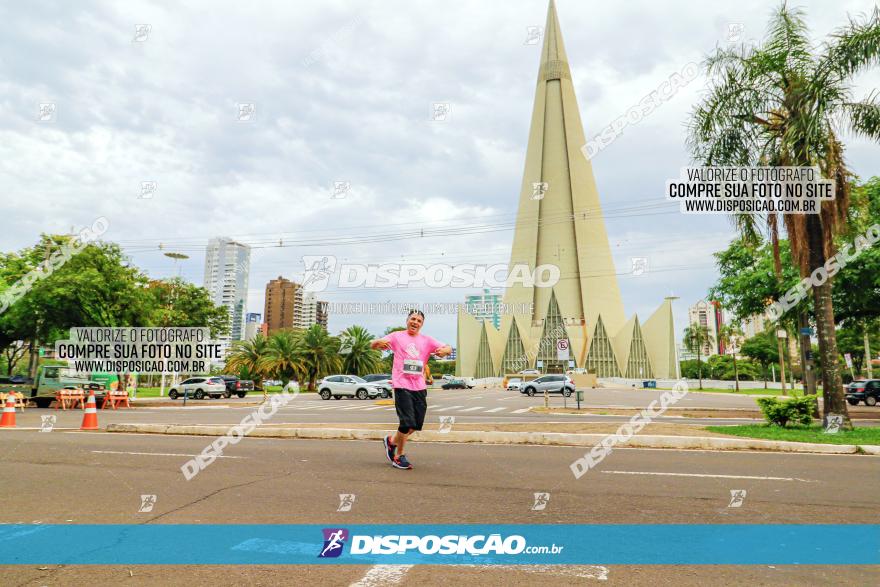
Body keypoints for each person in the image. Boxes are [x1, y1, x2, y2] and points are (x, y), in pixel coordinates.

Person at [371, 310, 451, 469]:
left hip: (419, 386)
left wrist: (445, 351)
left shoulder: (426, 340)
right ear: (407, 320)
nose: (415, 322)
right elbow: (374, 344)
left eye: (419, 320)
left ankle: (391, 441)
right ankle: (399, 456)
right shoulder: (396, 336)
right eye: (412, 319)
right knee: (406, 423)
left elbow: (447, 347)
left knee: (416, 424)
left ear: (422, 324)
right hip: (401, 384)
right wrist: (376, 343)